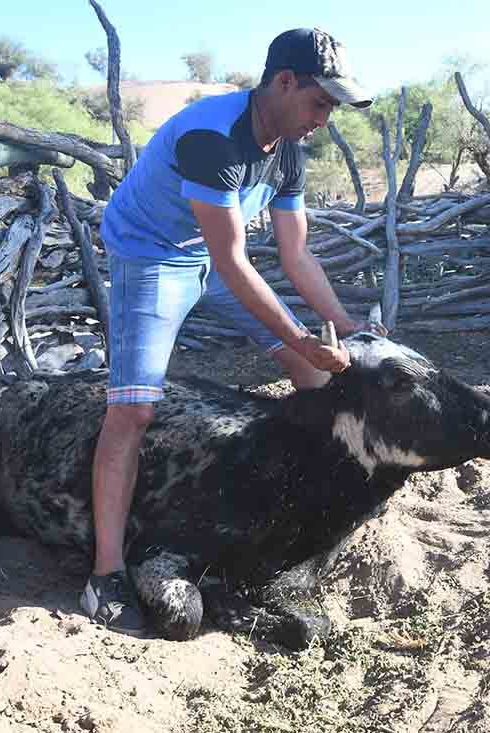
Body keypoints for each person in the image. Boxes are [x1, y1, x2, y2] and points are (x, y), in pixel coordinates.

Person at [80, 27, 380, 636]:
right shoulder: (214, 139)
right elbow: (233, 263)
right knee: (133, 413)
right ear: (284, 82)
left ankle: (297, 503)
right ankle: (104, 573)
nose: (326, 118)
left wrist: (349, 329)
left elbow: (296, 256)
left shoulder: (290, 145)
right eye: (321, 102)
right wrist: (300, 336)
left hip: (210, 255)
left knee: (316, 377)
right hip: (152, 255)